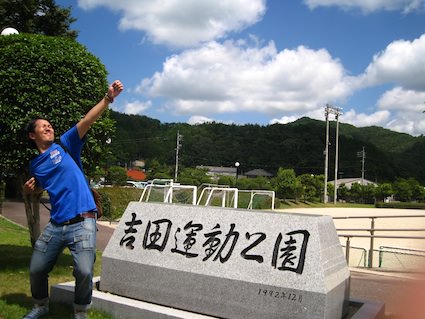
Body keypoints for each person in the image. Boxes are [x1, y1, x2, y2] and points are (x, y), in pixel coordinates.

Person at [22, 80, 124, 319]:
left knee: (84, 270)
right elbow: (42, 188)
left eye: (49, 125)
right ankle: (40, 305)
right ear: (31, 135)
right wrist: (31, 190)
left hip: (84, 219)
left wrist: (108, 99)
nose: (48, 128)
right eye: (42, 127)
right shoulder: (35, 165)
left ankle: (80, 311)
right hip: (57, 224)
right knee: (37, 268)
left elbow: (87, 121)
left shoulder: (65, 144)